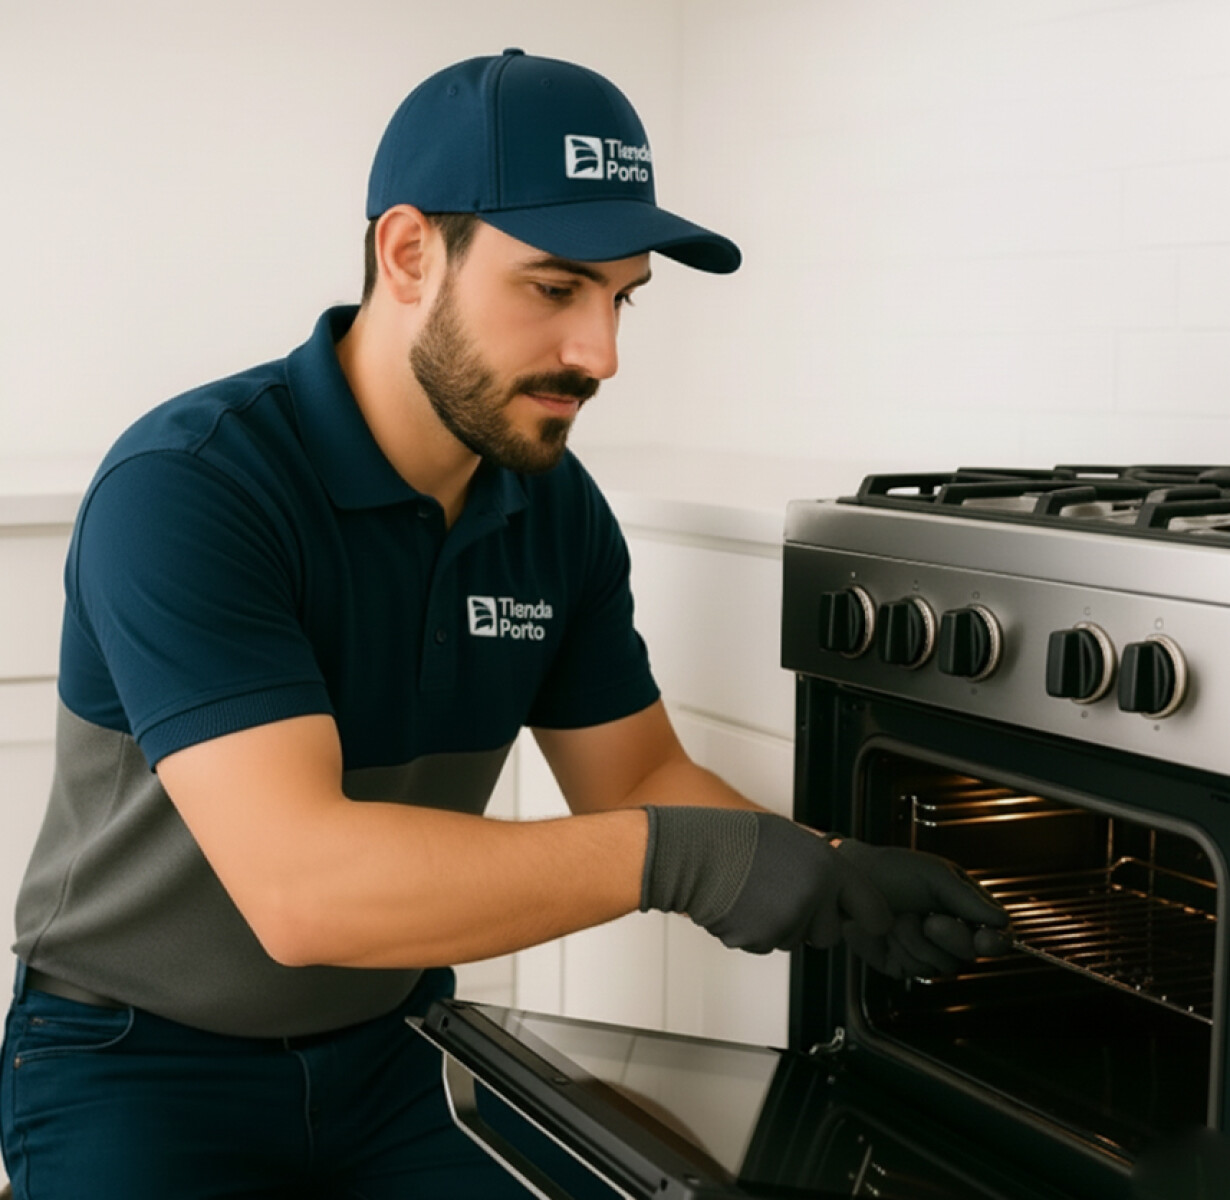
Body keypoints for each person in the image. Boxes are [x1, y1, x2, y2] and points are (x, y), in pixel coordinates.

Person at [0, 49, 1010, 1199]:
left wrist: (838, 875)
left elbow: (637, 774)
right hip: (137, 1065)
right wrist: (690, 863)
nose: (602, 354)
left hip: (400, 1051)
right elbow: (302, 891)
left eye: (621, 297)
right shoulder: (193, 486)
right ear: (410, 252)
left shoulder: (554, 510)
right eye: (555, 288)